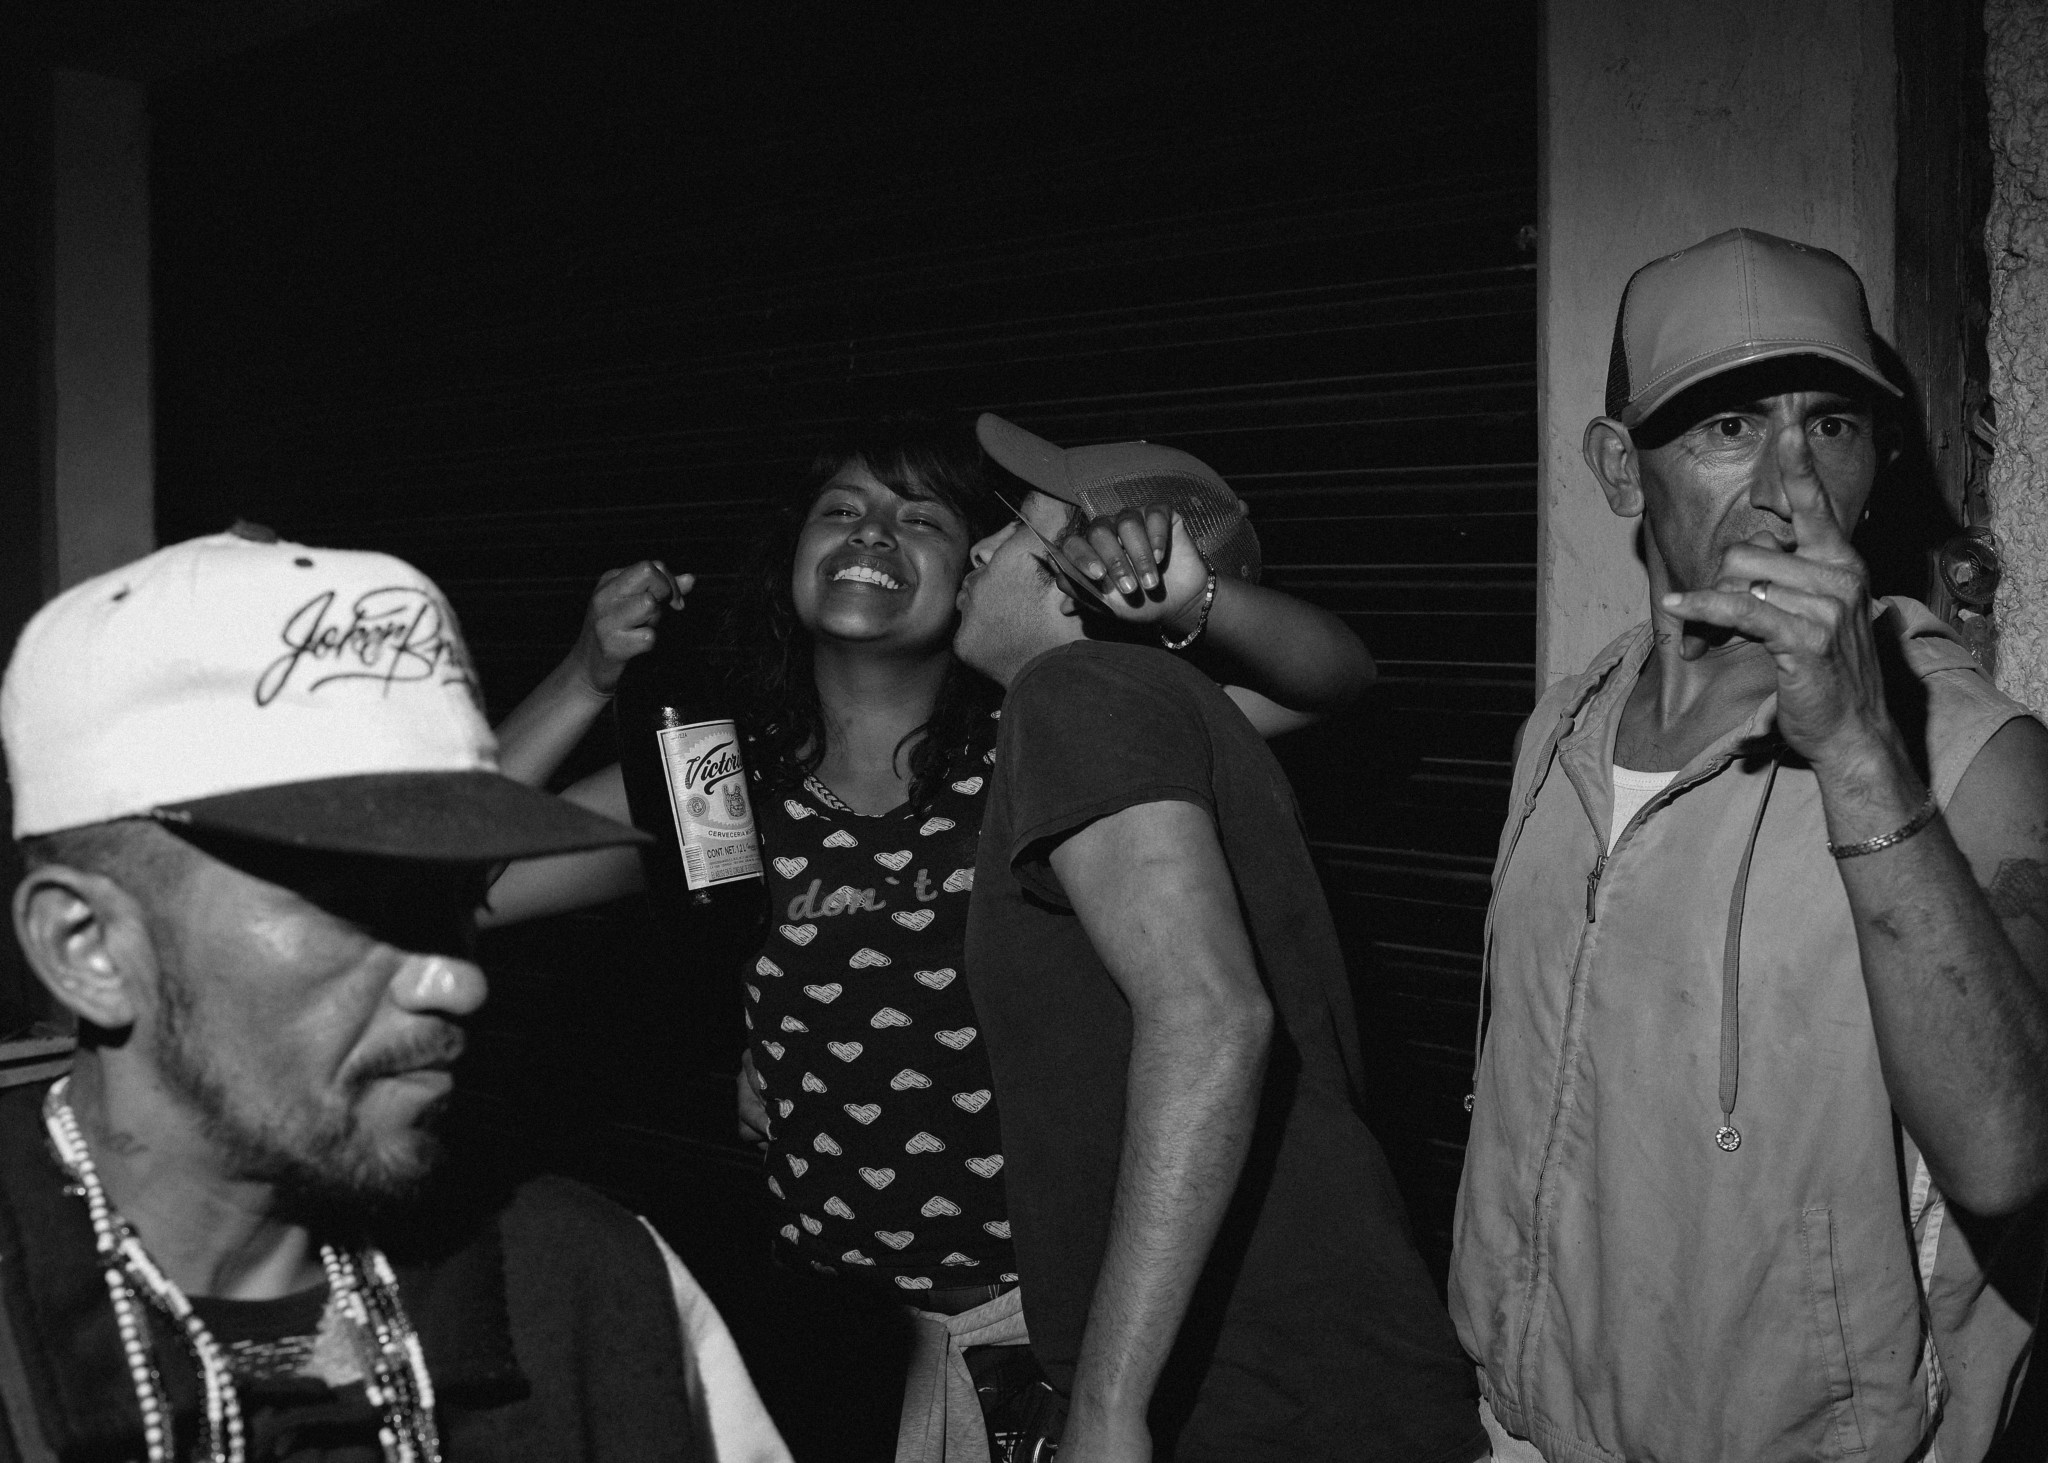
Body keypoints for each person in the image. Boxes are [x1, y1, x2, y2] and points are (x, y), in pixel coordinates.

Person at [486, 414, 1376, 1461]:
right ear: (791, 559)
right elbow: (464, 879)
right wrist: (584, 677)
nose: (871, 531)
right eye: (840, 509)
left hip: (1044, 1336)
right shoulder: (718, 783)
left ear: (974, 570)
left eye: (919, 518)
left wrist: (1194, 599)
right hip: (837, 1339)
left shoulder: (1050, 731)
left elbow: (1329, 683)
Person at [0, 526, 791, 1463]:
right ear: (87, 946)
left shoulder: (598, 1288)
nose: (458, 978)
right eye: (352, 906)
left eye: (454, 902)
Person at [1451, 229, 2048, 1463]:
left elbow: (2006, 1154)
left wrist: (1859, 750)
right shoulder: (1564, 725)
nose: (1791, 486)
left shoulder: (1974, 756)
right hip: (1524, 1425)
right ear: (1619, 466)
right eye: (1727, 425)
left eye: (1829, 424)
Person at [952, 413, 1489, 1463]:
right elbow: (1339, 677)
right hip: (1312, 1365)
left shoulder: (1080, 690)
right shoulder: (1161, 702)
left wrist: (1108, 1407)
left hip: (1250, 1383)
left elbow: (1208, 1019)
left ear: (1083, 569)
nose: (978, 546)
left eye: (1013, 524)